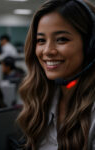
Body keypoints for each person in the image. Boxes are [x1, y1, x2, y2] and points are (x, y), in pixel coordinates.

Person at [17, 0, 95, 150]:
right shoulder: (44, 97)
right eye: (41, 40)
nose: (47, 51)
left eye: (62, 39)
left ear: (91, 45)